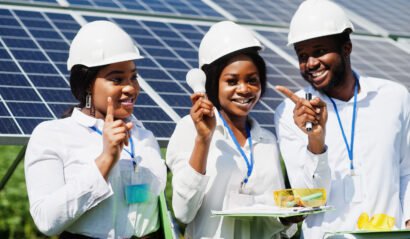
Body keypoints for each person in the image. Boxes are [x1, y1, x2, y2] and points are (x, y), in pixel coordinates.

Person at [166, 21, 321, 239]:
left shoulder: (267, 141)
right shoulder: (189, 130)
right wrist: (203, 139)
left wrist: (286, 218)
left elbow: (274, 220)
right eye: (231, 81)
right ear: (212, 83)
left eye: (252, 81)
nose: (244, 90)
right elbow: (183, 213)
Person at [274, 0, 410, 238]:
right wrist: (315, 141)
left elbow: (407, 170)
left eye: (319, 51)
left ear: (346, 48)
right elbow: (307, 197)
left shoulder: (394, 97)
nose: (311, 63)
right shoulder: (290, 112)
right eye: (302, 55)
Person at [24, 20, 167, 238]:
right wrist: (105, 159)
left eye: (134, 77)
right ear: (88, 84)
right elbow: (46, 220)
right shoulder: (52, 135)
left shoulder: (145, 137)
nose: (131, 87)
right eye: (117, 79)